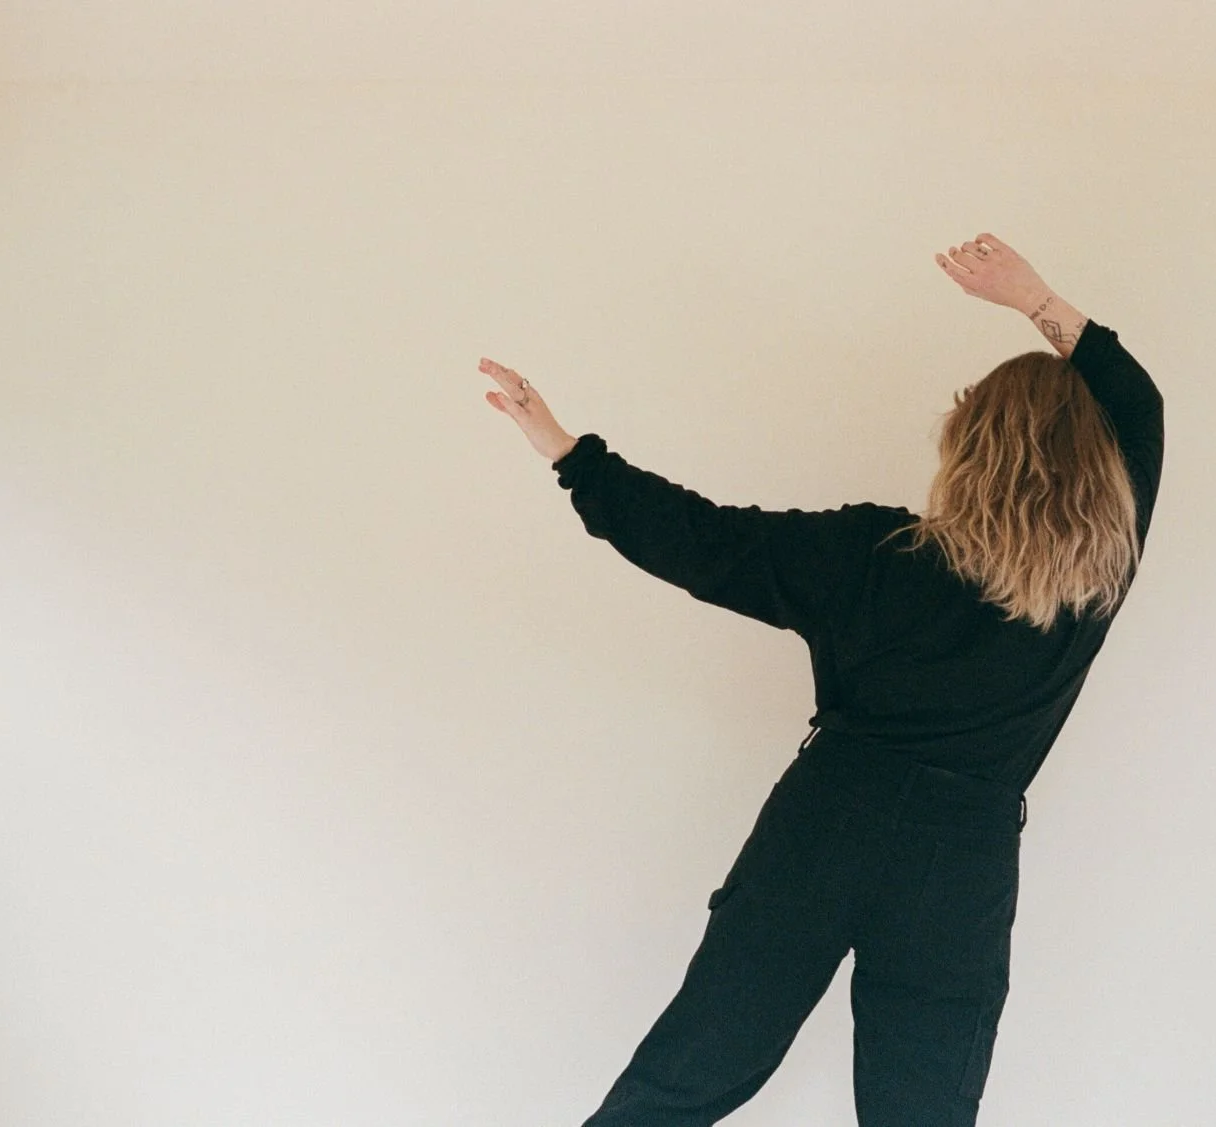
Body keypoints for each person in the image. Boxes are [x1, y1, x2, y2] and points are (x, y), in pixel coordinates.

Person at [480, 232, 1165, 1127]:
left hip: (828, 823)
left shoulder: (872, 555)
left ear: (968, 446)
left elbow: (703, 540)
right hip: (962, 860)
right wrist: (1035, 298)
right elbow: (1138, 405)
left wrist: (571, 455)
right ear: (1099, 471)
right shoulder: (1093, 579)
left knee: (686, 1076)